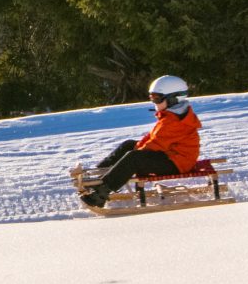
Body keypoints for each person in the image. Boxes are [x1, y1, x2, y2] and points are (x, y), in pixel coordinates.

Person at [80, 76, 201, 209]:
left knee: (134, 158)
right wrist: (135, 148)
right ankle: (97, 176)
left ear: (174, 99)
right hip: (171, 155)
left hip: (178, 163)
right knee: (129, 144)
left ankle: (100, 193)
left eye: (157, 98)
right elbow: (151, 137)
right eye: (152, 98)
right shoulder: (171, 115)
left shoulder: (174, 122)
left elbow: (154, 145)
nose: (154, 102)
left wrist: (134, 155)